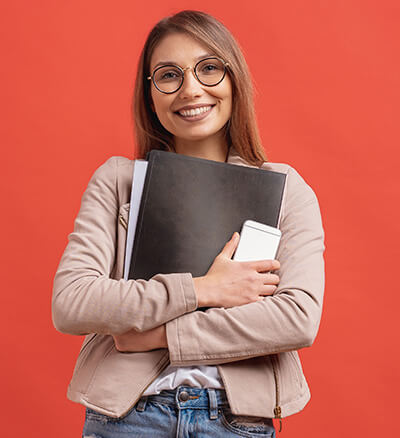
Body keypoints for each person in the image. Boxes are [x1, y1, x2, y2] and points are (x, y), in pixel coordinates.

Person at [52, 9, 325, 438]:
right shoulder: (118, 180)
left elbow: (296, 318)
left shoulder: (286, 187)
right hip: (127, 420)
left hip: (237, 423)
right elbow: (72, 303)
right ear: (150, 93)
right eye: (168, 75)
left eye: (209, 68)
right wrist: (202, 289)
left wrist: (153, 335)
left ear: (234, 79)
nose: (190, 89)